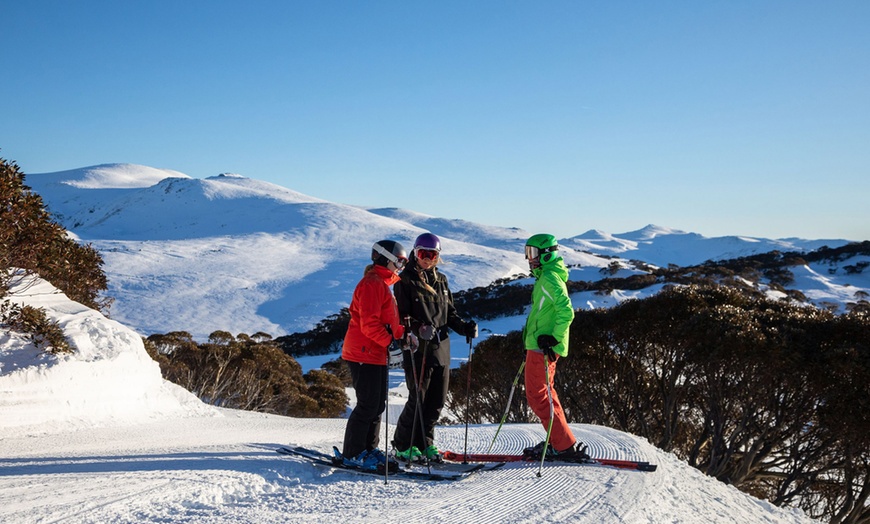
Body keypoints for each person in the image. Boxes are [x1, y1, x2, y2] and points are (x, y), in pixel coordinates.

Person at [392, 233, 477, 463]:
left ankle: (424, 443)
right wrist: (418, 328)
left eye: (432, 255)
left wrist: (465, 327)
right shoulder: (404, 281)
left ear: (438, 256)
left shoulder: (442, 281)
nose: (428, 259)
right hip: (417, 348)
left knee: (437, 400)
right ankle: (402, 445)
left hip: (441, 348)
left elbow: (449, 314)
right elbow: (400, 317)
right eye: (423, 254)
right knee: (417, 398)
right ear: (415, 253)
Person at [339, 239, 409, 472]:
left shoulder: (381, 284)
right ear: (385, 258)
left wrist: (402, 337)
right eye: (399, 261)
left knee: (378, 405)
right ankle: (353, 453)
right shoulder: (372, 284)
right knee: (368, 404)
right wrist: (391, 343)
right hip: (363, 352)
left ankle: (369, 449)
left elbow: (387, 322)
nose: (400, 266)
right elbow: (369, 324)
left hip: (376, 352)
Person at [520, 233, 588, 462]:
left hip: (543, 347)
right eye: (527, 253)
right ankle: (559, 440)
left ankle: (562, 445)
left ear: (547, 254)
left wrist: (553, 339)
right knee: (546, 395)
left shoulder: (549, 278)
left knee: (538, 396)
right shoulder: (546, 276)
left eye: (533, 253)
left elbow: (566, 311)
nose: (529, 258)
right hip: (540, 345)